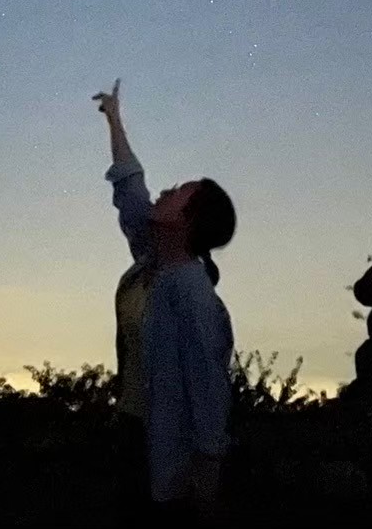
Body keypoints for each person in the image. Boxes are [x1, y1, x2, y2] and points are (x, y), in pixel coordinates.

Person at [94, 79, 237, 526]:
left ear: (188, 221)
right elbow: (131, 189)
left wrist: (206, 474)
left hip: (164, 449)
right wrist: (115, 119)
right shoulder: (150, 258)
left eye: (179, 192)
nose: (166, 190)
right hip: (130, 431)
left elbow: (209, 387)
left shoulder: (192, 295)